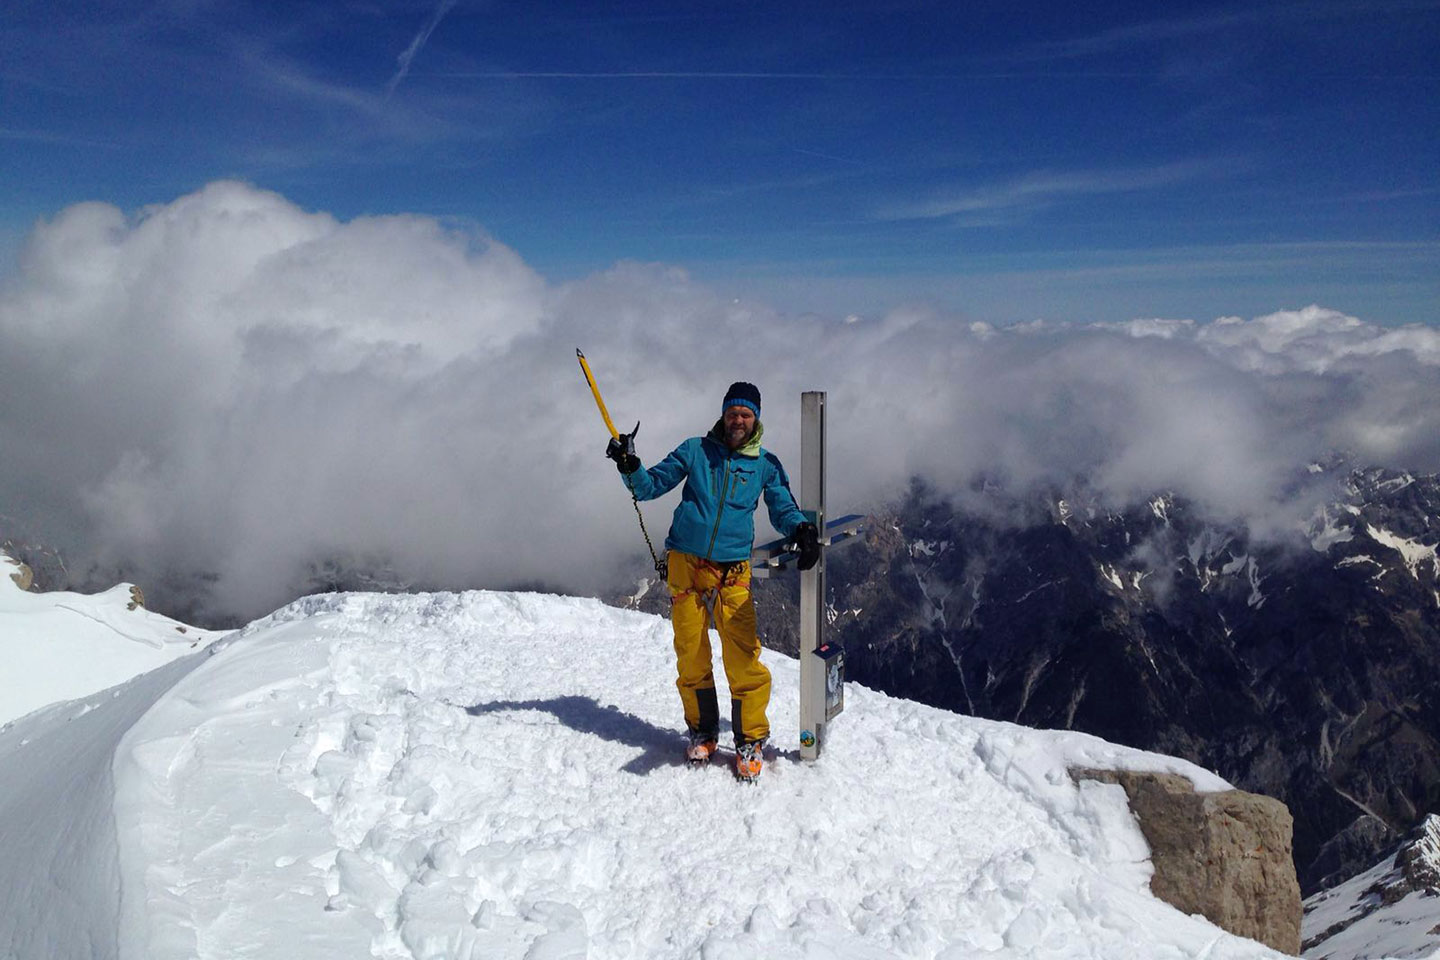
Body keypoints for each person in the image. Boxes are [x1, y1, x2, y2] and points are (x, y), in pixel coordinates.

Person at [606, 381, 820, 780]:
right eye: (732, 412)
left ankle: (749, 738)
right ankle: (703, 731)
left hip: (732, 570)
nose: (738, 420)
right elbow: (649, 486)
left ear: (755, 419)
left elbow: (782, 506)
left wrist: (801, 529)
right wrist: (629, 465)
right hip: (686, 563)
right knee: (691, 652)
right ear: (723, 414)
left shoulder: (765, 465)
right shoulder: (695, 451)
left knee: (742, 656)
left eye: (746, 414)